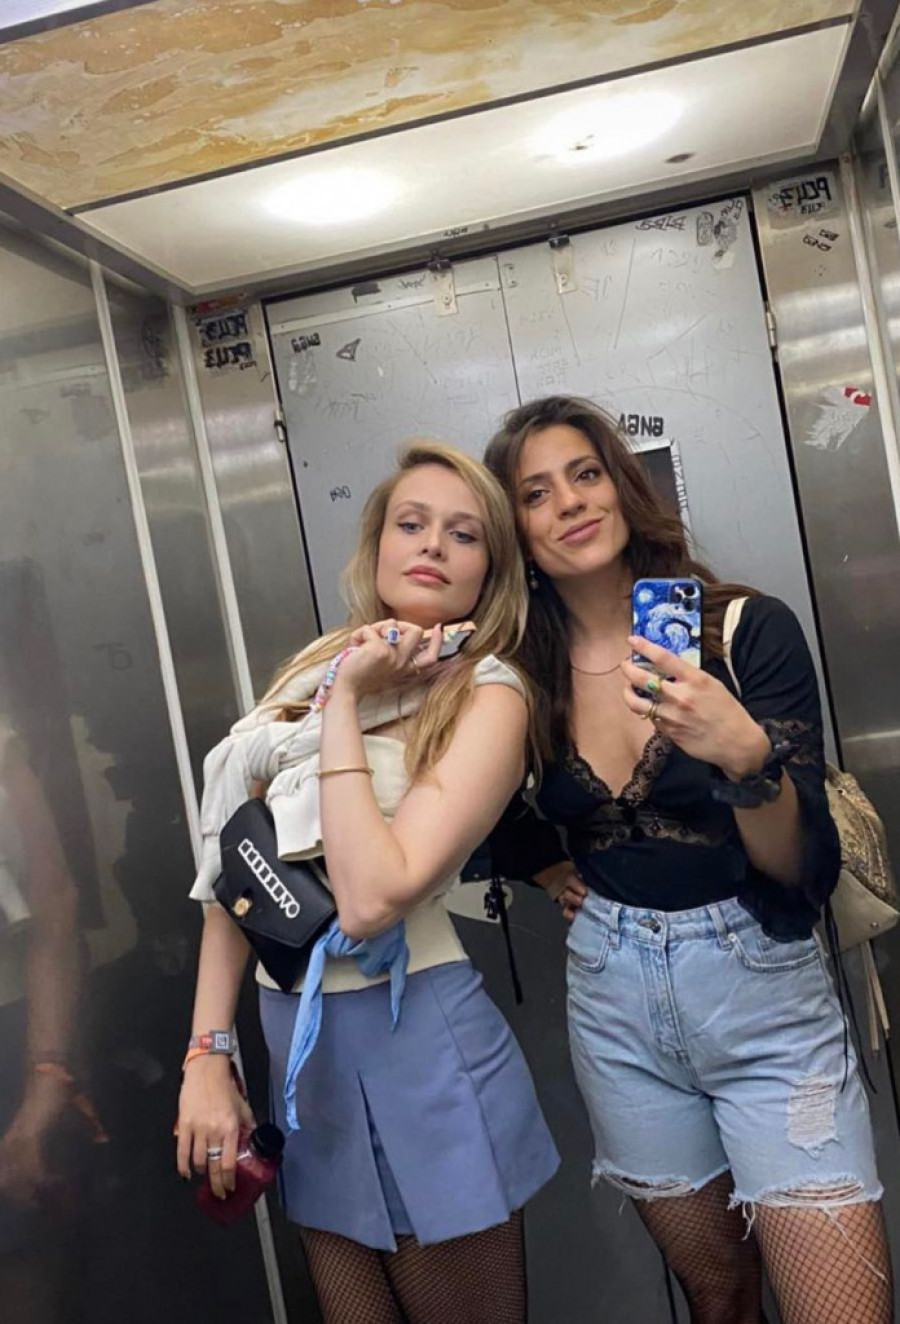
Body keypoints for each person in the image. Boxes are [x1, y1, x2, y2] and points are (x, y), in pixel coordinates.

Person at [484, 395, 891, 1324]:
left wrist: (746, 759)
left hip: (763, 994)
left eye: (585, 474)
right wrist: (551, 870)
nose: (569, 503)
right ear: (517, 531)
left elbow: (798, 874)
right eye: (536, 494)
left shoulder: (745, 630)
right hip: (615, 1005)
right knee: (717, 1294)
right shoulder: (517, 675)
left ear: (622, 488)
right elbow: (476, 810)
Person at [176, 440, 559, 1324]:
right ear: (378, 543)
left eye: (463, 534)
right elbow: (236, 876)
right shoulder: (314, 667)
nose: (432, 546)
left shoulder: (490, 693)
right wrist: (209, 1054)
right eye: (411, 524)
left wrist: (347, 704)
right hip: (299, 1049)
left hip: (415, 1032)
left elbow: (374, 896)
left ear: (490, 568)